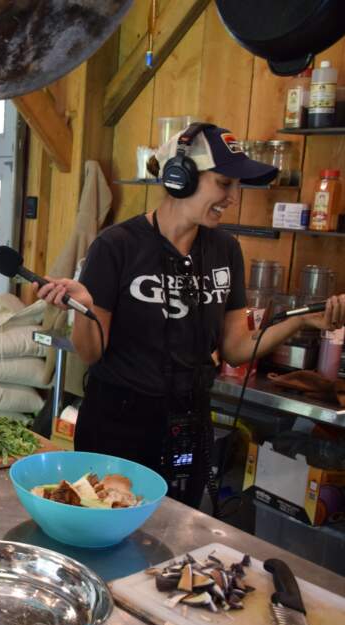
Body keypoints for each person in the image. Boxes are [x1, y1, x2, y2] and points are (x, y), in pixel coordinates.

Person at [37, 123, 345, 507]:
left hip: (190, 418)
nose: (232, 197)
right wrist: (83, 307)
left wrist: (299, 321)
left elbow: (235, 347)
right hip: (120, 422)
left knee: (175, 530)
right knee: (109, 524)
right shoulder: (116, 246)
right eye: (224, 184)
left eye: (236, 186)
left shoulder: (225, 250)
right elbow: (90, 353)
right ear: (180, 178)